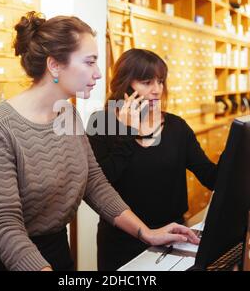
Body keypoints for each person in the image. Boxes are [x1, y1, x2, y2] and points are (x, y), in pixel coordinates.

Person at [0, 12, 200, 271]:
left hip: (53, 251)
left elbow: (94, 182)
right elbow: (2, 223)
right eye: (90, 62)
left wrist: (145, 232)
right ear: (55, 65)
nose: (98, 74)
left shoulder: (67, 114)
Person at [87, 48, 219, 271]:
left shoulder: (177, 127)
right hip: (121, 241)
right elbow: (101, 183)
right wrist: (128, 132)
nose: (157, 90)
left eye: (160, 81)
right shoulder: (102, 123)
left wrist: (238, 150)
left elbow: (210, 177)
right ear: (126, 84)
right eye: (147, 82)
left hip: (171, 235)